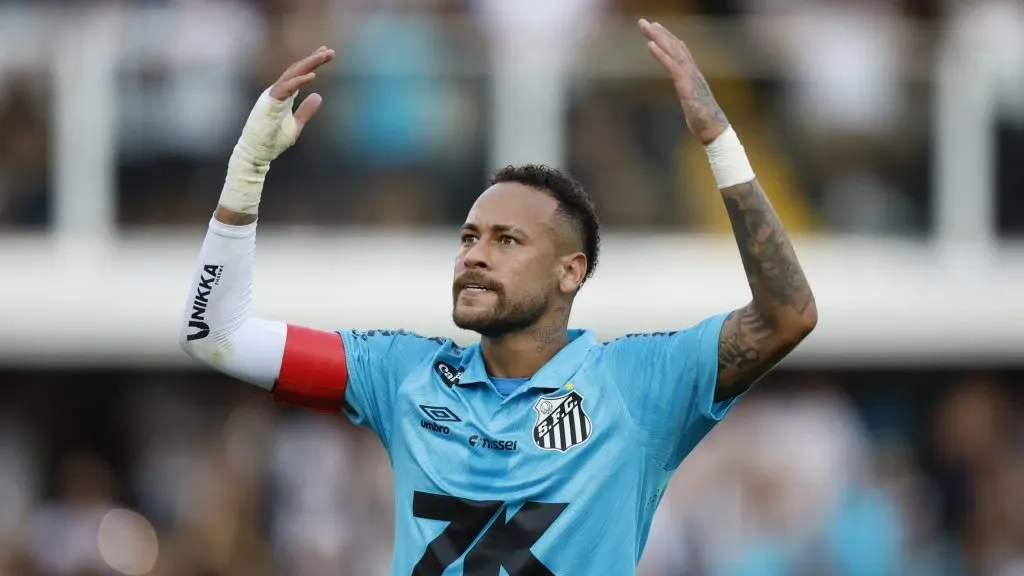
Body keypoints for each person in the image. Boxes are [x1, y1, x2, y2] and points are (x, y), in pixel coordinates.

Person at [179, 20, 817, 576]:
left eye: (507, 240)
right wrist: (248, 170)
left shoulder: (639, 384)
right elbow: (217, 336)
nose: (474, 255)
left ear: (571, 272)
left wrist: (717, 141)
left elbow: (788, 316)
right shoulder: (400, 375)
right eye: (468, 237)